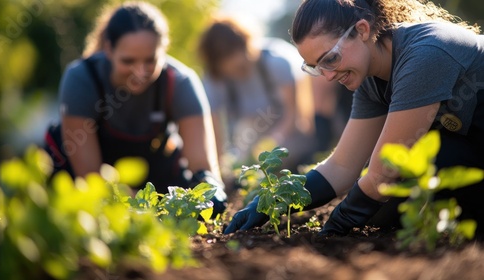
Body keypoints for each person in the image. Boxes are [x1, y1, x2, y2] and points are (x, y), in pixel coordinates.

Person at [225, 0, 484, 235]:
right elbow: (342, 167)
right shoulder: (370, 81)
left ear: (362, 30)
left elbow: (386, 170)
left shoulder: (426, 53)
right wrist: (271, 200)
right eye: (316, 67)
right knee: (385, 212)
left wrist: (337, 225)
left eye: (330, 59)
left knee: (430, 161)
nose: (327, 76)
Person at [44, 2, 226, 214]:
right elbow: (90, 178)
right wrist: (140, 210)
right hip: (92, 178)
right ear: (108, 49)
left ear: (163, 50)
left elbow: (201, 167)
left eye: (150, 60)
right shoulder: (81, 78)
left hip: (151, 170)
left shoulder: (180, 82)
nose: (140, 72)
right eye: (128, 61)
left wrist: (210, 188)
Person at [198, 17, 316, 179]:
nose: (236, 67)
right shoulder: (214, 79)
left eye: (237, 58)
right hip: (253, 130)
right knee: (240, 161)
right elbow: (214, 130)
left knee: (280, 160)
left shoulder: (276, 62)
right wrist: (219, 169)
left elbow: (296, 118)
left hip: (287, 129)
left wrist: (271, 144)